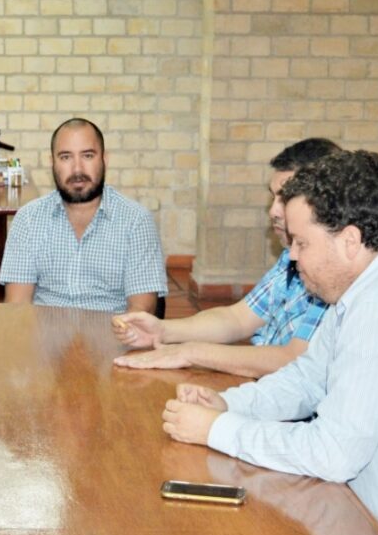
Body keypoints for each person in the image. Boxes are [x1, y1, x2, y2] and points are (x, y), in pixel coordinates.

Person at [160, 150, 378, 535]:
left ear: (350, 241)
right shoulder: (369, 289)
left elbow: (332, 453)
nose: (292, 257)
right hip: (373, 518)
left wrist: (218, 430)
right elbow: (308, 378)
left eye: (302, 243)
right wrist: (229, 404)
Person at [112, 138, 340, 378]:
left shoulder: (332, 273)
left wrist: (190, 352)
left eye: (285, 199)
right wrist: (162, 330)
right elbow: (237, 318)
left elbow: (294, 360)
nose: (273, 211)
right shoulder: (289, 258)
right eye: (273, 197)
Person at [0, 117, 167, 314]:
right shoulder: (28, 219)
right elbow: (18, 307)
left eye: (87, 156)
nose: (77, 169)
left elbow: (140, 311)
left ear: (104, 159)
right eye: (65, 157)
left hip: (112, 331)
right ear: (52, 163)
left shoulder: (136, 220)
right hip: (45, 331)